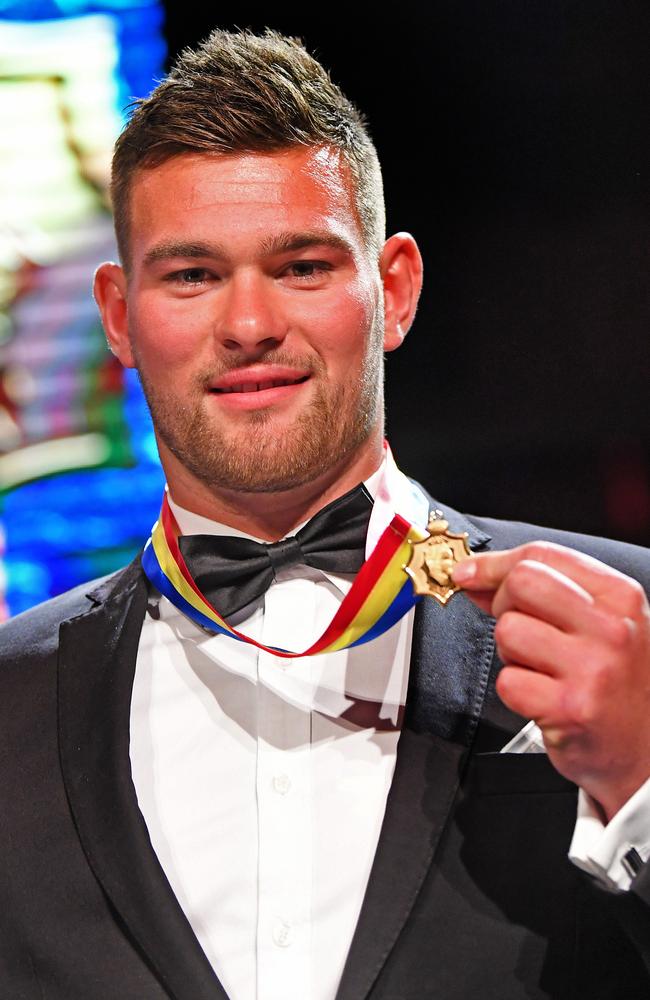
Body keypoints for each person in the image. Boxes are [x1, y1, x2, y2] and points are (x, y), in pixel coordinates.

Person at [1, 27, 650, 1000]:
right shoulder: (7, 706)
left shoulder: (631, 623)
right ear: (119, 314)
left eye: (301, 265)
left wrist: (639, 784)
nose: (251, 323)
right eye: (191, 275)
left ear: (391, 291)